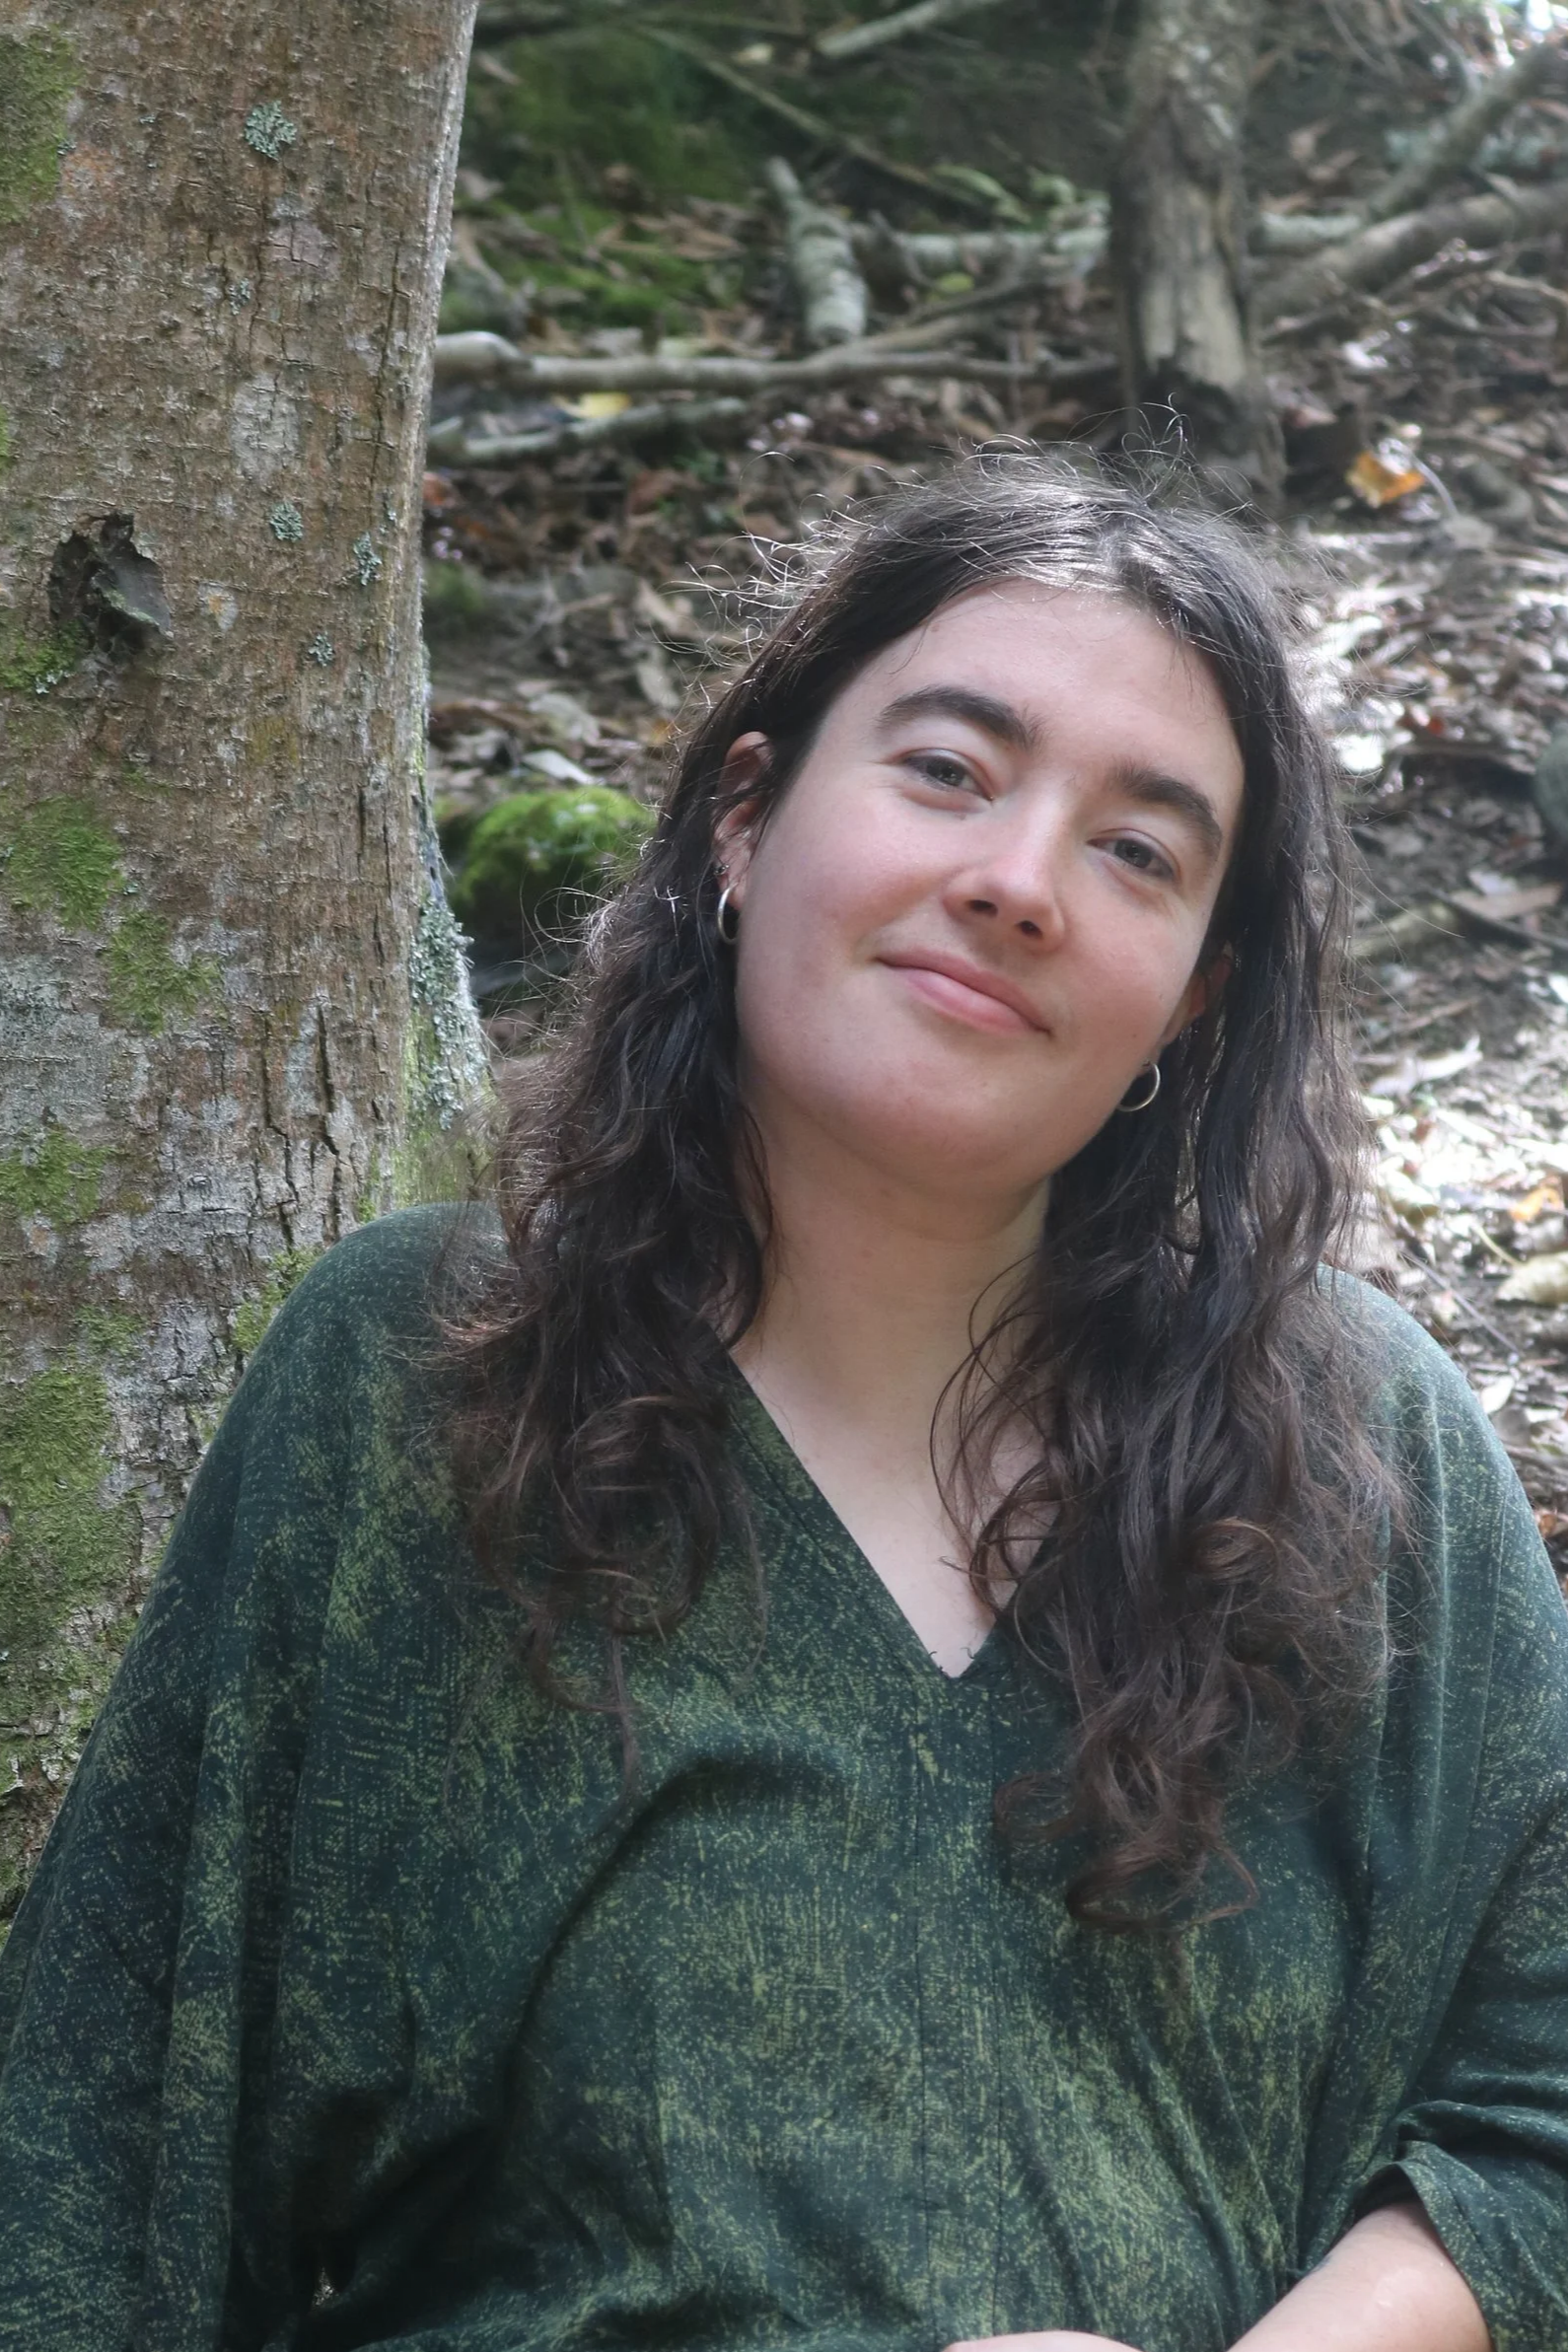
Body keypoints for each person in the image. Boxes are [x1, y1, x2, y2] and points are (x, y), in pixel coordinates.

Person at [2, 456, 1566, 2352]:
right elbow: (88, 2188)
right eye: (945, 772)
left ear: (1195, 1003)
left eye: (1136, 850)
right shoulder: (414, 1384)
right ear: (744, 819)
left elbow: (1538, 2109)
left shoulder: (1358, 1447)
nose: (1013, 884)